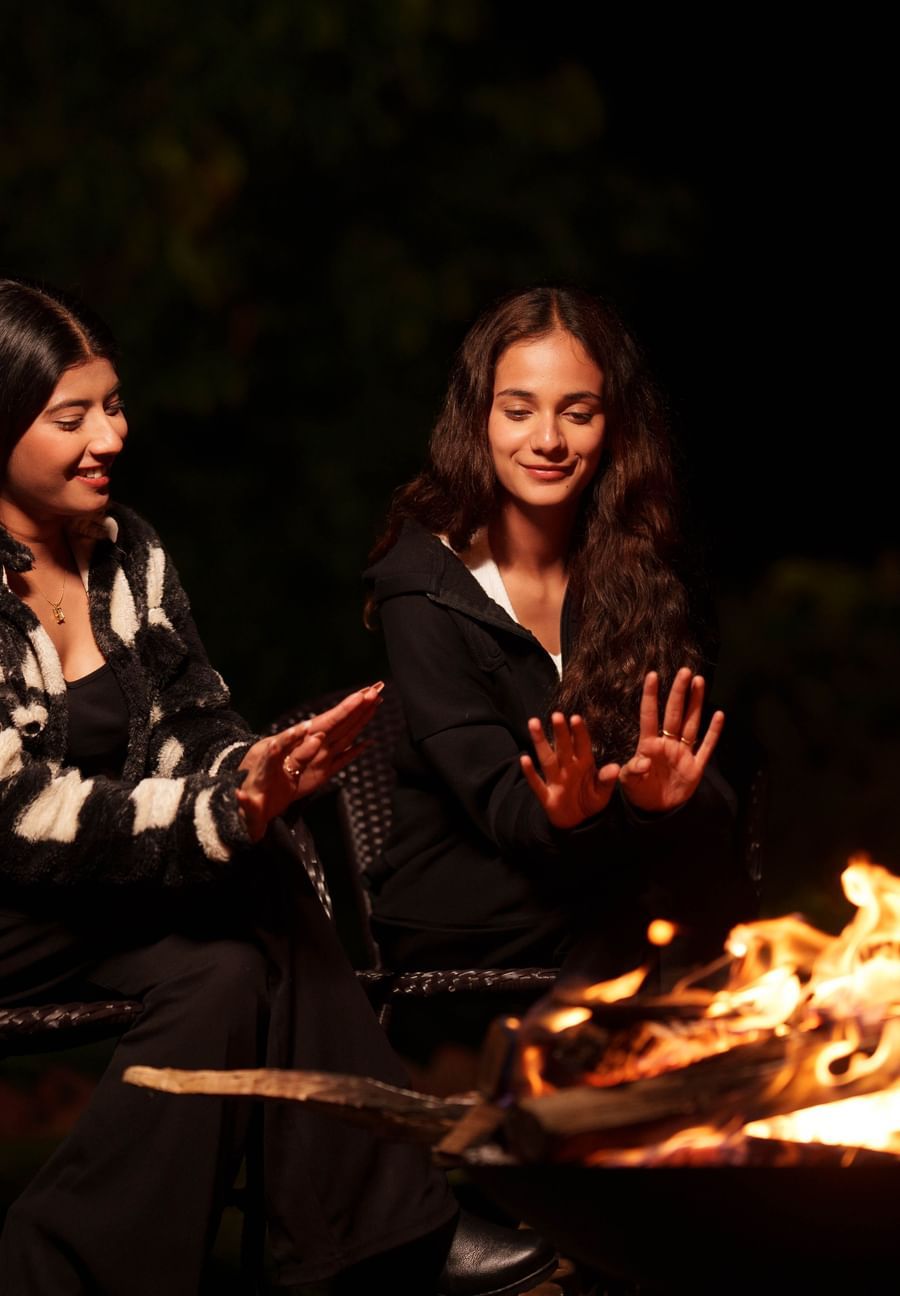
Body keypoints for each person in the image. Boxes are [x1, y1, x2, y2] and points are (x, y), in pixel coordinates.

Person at [0, 277, 558, 1296]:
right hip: (16, 898)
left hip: (94, 891)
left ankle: (62, 1274)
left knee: (220, 977)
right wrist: (223, 815)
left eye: (113, 405)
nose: (109, 437)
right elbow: (17, 818)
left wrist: (253, 773)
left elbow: (194, 722)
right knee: (252, 881)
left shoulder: (128, 552)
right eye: (70, 418)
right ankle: (399, 1236)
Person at [363, 286, 755, 1028]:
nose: (547, 439)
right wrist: (573, 817)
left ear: (613, 427)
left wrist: (655, 803)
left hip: (609, 887)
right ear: (479, 419)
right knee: (648, 923)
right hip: (470, 913)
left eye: (578, 412)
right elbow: (499, 803)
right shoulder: (423, 582)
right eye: (519, 411)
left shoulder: (646, 570)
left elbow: (702, 788)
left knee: (700, 900)